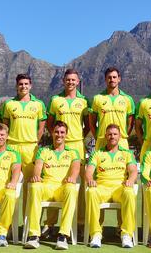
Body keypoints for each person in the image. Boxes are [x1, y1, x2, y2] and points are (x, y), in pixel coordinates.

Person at [45, 69, 90, 235]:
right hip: (58, 145)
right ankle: (50, 224)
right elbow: (50, 124)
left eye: (73, 80)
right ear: (63, 81)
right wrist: (58, 138)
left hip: (77, 144)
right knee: (55, 180)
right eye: (68, 80)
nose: (70, 82)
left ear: (78, 82)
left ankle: (79, 222)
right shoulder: (56, 100)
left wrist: (78, 137)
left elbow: (88, 124)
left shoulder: (84, 101)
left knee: (80, 183)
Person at [24, 121, 81, 250]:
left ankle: (63, 235)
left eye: (62, 132)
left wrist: (72, 177)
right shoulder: (43, 150)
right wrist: (37, 176)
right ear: (52, 133)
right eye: (56, 132)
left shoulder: (73, 152)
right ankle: (34, 235)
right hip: (47, 187)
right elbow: (38, 166)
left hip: (62, 187)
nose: (59, 135)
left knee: (71, 189)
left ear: (66, 134)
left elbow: (76, 168)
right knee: (34, 186)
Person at [85, 124, 138, 248]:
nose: (112, 136)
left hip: (119, 188)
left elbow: (133, 171)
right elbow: (88, 171)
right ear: (105, 136)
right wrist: (90, 180)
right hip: (102, 188)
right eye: (109, 134)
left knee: (129, 192)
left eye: (115, 134)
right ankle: (96, 234)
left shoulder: (127, 153)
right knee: (92, 192)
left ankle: (126, 234)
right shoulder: (97, 153)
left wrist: (130, 180)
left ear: (119, 136)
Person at [0, 73, 47, 184]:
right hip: (12, 145)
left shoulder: (39, 104)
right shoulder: (8, 104)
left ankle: (27, 202)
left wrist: (35, 142)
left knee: (30, 181)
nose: (23, 86)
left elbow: (41, 128)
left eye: (26, 84)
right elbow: (5, 126)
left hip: (30, 147)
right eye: (20, 84)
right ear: (16, 86)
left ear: (30, 86)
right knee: (8, 180)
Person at [90, 67, 135, 151]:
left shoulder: (128, 99)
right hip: (102, 140)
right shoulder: (97, 98)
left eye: (114, 77)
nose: (112, 79)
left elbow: (130, 124)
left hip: (121, 141)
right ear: (105, 79)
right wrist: (98, 137)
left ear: (119, 79)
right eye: (109, 77)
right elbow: (92, 123)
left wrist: (123, 136)